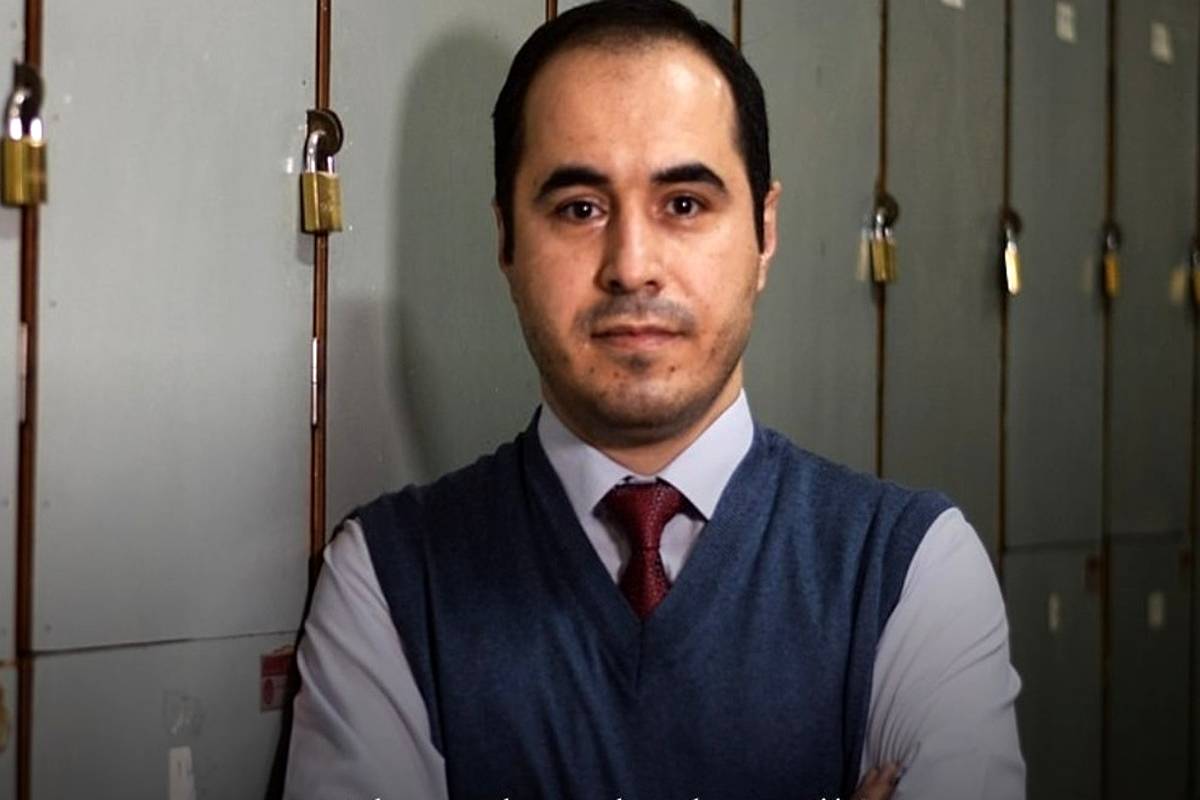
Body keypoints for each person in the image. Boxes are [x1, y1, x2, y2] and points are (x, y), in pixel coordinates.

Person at [282, 1, 1026, 798]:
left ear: (765, 233)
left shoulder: (913, 570)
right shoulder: (387, 582)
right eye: (580, 209)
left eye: (684, 204)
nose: (632, 265)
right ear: (506, 241)